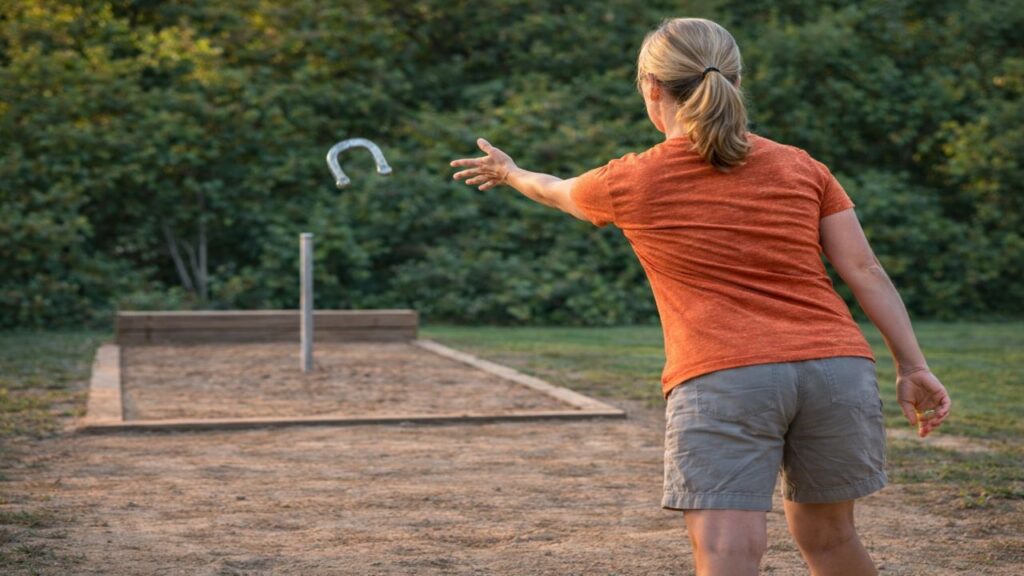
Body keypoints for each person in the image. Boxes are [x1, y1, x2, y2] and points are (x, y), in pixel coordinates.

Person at [449, 16, 951, 576]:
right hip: (837, 370)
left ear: (651, 87)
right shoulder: (802, 166)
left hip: (724, 375)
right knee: (831, 540)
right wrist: (913, 365)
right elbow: (866, 269)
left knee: (728, 553)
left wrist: (510, 171)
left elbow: (553, 189)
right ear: (736, 79)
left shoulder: (629, 180)